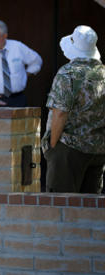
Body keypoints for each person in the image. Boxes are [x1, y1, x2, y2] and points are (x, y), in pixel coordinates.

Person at [43, 25, 105, 194]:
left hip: (69, 148)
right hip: (98, 149)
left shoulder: (68, 73)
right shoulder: (103, 73)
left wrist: (53, 145)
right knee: (90, 210)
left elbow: (60, 112)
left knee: (61, 205)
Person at [0, 19, 42, 107]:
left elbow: (36, 61)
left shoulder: (17, 47)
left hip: (17, 99)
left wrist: (26, 74)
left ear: (4, 36)